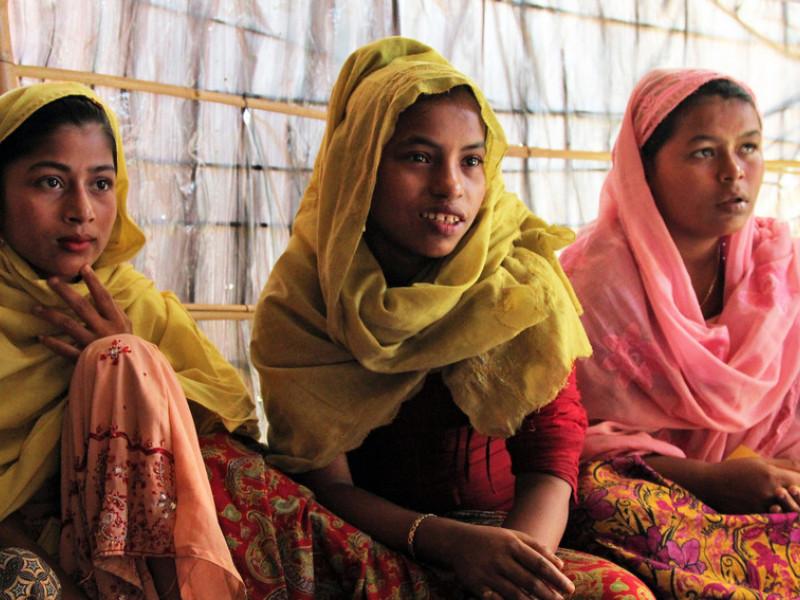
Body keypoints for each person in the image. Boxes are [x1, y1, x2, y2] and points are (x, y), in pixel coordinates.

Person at [241, 37, 655, 599]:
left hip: (510, 534)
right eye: (418, 156)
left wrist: (519, 566)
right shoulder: (305, 299)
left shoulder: (517, 282)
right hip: (366, 538)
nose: (450, 186)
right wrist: (448, 543)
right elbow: (327, 484)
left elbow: (552, 455)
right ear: (360, 168)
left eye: (471, 161)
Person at [0, 82, 258, 599]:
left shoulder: (136, 305)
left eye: (100, 184)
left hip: (159, 565)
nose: (81, 210)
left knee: (124, 359)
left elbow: (234, 421)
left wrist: (133, 376)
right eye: (51, 182)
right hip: (25, 551)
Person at [560, 68, 800, 597]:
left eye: (750, 148)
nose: (734, 172)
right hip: (661, 498)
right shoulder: (593, 285)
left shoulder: (778, 267)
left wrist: (768, 475)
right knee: (605, 506)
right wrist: (713, 481)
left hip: (769, 486)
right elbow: (573, 444)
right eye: (704, 152)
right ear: (644, 169)